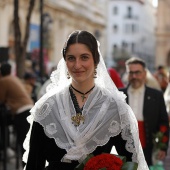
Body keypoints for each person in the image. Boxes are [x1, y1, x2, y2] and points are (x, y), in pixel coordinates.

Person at [23, 30, 148, 170]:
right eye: (71, 58)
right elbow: (34, 163)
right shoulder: (47, 107)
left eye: (84, 57)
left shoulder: (114, 107)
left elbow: (132, 162)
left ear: (95, 60)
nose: (77, 65)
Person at [119, 57, 169, 167]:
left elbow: (163, 122)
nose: (134, 76)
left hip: (149, 146)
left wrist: (162, 146)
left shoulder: (156, 95)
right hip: (123, 147)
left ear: (145, 73)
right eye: (131, 73)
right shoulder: (118, 95)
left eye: (137, 72)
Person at [0, 63, 34, 164]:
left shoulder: (4, 81)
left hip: (21, 112)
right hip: (29, 109)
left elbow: (1, 99)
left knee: (23, 142)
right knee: (27, 141)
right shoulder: (14, 79)